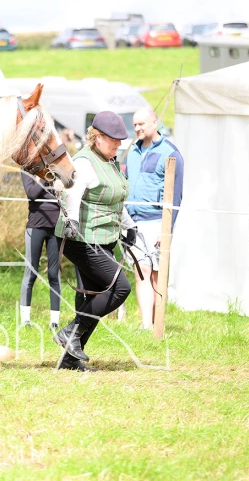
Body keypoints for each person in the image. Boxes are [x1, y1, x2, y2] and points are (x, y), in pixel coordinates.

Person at [53, 111, 138, 372]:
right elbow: (72, 193)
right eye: (114, 139)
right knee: (120, 287)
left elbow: (114, 198)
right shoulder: (85, 162)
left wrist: (129, 225)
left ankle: (69, 359)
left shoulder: (109, 161)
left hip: (103, 238)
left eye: (120, 140)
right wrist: (72, 221)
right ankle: (70, 332)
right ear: (98, 137)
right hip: (81, 238)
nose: (119, 144)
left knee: (92, 296)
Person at [125, 107, 184, 329]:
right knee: (142, 272)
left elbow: (176, 196)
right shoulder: (132, 151)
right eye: (135, 124)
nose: (137, 128)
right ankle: (145, 325)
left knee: (157, 274)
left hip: (157, 221)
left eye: (141, 124)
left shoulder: (171, 153)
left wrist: (166, 229)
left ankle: (157, 323)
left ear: (155, 123)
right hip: (134, 222)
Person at [20, 173, 61, 331]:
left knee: (54, 274)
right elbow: (32, 193)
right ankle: (25, 320)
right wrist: (46, 177)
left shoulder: (58, 168)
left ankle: (54, 322)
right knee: (31, 272)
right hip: (35, 226)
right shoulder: (28, 168)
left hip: (56, 228)